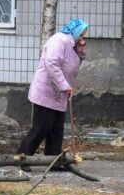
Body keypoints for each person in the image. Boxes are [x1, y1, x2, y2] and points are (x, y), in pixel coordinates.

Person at [16, 18, 88, 166]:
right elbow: (51, 63)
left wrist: (79, 53)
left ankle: (53, 162)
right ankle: (21, 158)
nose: (82, 39)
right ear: (74, 31)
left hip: (59, 94)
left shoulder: (71, 44)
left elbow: (72, 68)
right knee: (41, 128)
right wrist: (64, 85)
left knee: (56, 131)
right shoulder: (59, 40)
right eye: (81, 35)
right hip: (46, 91)